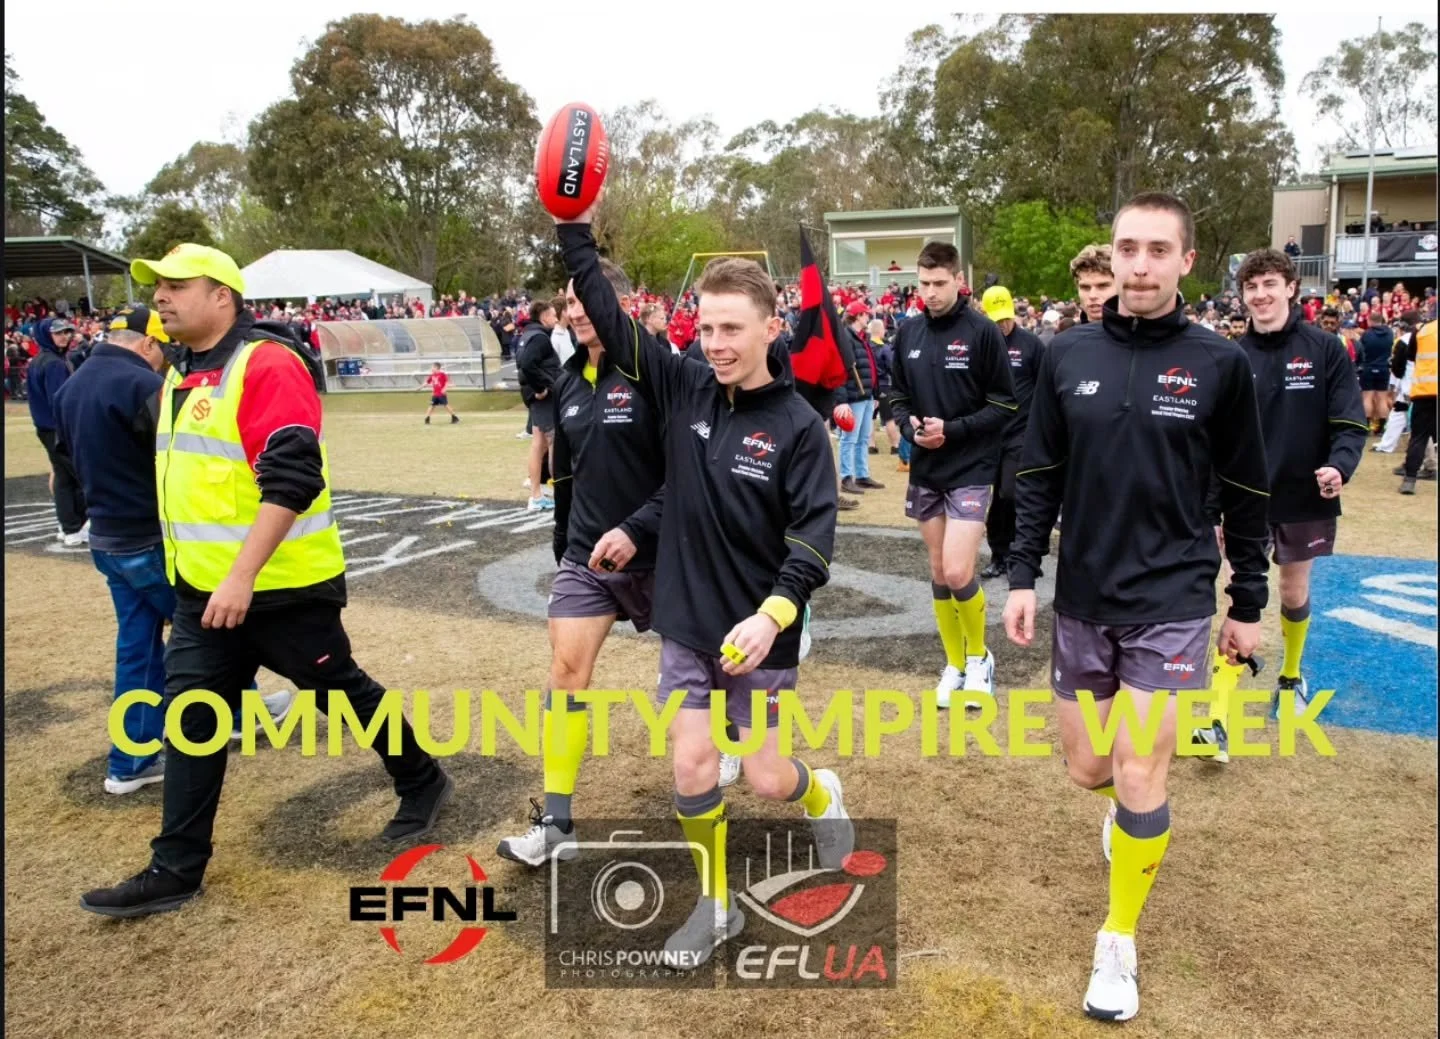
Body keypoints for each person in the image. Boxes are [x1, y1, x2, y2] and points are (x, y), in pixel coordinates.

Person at [80, 245, 452, 919]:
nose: (160, 297)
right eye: (156, 287)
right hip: (203, 594)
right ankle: (176, 864)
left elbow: (293, 479)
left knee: (340, 691)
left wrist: (242, 577)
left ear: (222, 295)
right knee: (191, 719)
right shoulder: (179, 375)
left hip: (282, 589)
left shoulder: (267, 363)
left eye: (176, 285)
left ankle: (422, 777)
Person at [556, 208, 852, 970]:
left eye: (731, 329)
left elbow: (813, 542)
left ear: (771, 326)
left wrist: (773, 615)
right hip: (689, 625)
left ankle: (818, 792)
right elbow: (614, 323)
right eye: (706, 328)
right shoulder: (684, 387)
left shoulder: (797, 428)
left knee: (763, 773)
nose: (714, 344)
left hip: (761, 632)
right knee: (690, 765)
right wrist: (574, 227)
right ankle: (715, 903)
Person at [1003, 193, 1269, 1022]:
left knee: (1143, 766)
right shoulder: (1065, 352)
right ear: (1110, 259)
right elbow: (1038, 470)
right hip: (1082, 595)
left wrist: (1247, 598)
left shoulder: (1219, 363)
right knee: (1089, 766)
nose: (1141, 264)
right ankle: (1130, 826)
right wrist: (1019, 574)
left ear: (1187, 261)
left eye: (1159, 249)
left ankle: (1117, 939)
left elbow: (1247, 490)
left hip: (1175, 596)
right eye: (1129, 248)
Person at [496, 262, 667, 867]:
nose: (573, 312)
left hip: (666, 554)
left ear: (617, 303)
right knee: (565, 673)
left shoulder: (655, 372)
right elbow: (564, 474)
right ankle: (558, 822)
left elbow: (689, 475)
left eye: (584, 301)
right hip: (586, 557)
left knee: (703, 681)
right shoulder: (568, 380)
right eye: (567, 303)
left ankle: (726, 742)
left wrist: (638, 527)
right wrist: (566, 542)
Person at [1192, 249, 1366, 759]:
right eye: (1251, 287)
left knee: (1292, 593)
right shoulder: (1231, 356)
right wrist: (1212, 509)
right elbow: (1212, 441)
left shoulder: (1325, 349)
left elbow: (1349, 418)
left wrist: (1340, 465)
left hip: (1303, 494)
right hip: (1243, 499)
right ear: (1241, 295)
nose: (1260, 295)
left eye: (1270, 284)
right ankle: (1218, 720)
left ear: (1291, 288)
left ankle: (1290, 678)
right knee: (1237, 597)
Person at [889, 243, 1018, 709]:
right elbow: (895, 395)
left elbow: (1005, 403)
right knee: (941, 571)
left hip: (971, 468)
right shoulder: (907, 333)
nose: (930, 293)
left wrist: (954, 430)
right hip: (927, 469)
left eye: (939, 284)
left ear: (959, 279)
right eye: (923, 284)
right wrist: (909, 428)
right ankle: (955, 664)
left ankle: (980, 657)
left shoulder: (983, 332)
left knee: (961, 567)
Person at [978, 285, 1042, 581]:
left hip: (1022, 433)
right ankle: (998, 554)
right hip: (990, 432)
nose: (1002, 325)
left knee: (1011, 492)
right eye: (995, 320)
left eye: (1005, 318)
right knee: (995, 497)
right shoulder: (981, 344)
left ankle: (1022, 552)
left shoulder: (1031, 345)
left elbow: (1046, 388)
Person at [27, 316, 88, 545]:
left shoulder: (40, 360)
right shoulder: (53, 363)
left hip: (47, 428)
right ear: (47, 335)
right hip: (57, 428)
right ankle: (76, 525)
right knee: (79, 475)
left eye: (66, 332)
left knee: (63, 478)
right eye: (59, 333)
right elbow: (60, 399)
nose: (65, 336)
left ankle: (69, 526)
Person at [517, 299, 562, 512]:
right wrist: (541, 388)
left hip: (536, 400)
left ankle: (537, 494)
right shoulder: (539, 337)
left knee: (538, 443)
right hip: (544, 399)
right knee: (553, 442)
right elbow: (527, 365)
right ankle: (556, 494)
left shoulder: (526, 335)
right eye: (553, 315)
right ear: (544, 317)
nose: (555, 318)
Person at [838, 303, 884, 495]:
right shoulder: (847, 338)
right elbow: (840, 369)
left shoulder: (861, 338)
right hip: (854, 395)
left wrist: (874, 392)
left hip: (865, 394)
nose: (868, 317)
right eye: (865, 314)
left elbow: (870, 367)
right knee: (849, 438)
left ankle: (862, 475)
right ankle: (847, 477)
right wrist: (842, 399)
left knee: (863, 438)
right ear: (858, 316)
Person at [1400, 318, 1437, 494]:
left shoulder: (1421, 330)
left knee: (1419, 437)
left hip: (1425, 390)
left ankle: (1409, 480)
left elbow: (1411, 356)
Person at [1070, 244, 1116, 325]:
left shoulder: (1141, 335)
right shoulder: (1068, 337)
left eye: (1102, 286)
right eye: (1085, 287)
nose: (1092, 296)